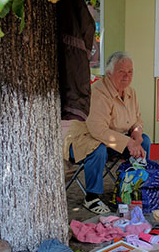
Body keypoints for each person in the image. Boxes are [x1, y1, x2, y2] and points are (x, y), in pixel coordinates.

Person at [63, 51, 151, 214]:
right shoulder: (99, 92)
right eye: (121, 71)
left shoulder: (131, 92)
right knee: (98, 148)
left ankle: (134, 187)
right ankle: (92, 197)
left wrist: (137, 133)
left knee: (145, 140)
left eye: (130, 71)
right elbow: (98, 130)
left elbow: (137, 118)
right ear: (109, 73)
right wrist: (129, 142)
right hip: (84, 140)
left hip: (111, 140)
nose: (127, 76)